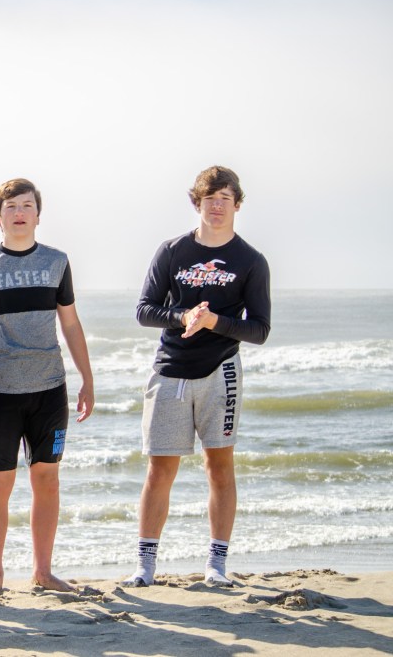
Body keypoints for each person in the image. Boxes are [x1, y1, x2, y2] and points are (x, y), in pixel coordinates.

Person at [123, 166, 271, 588]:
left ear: (237, 205)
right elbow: (144, 311)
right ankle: (145, 566)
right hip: (170, 371)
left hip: (221, 372)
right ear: (197, 203)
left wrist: (213, 322)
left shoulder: (251, 261)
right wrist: (184, 316)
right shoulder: (172, 251)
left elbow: (259, 329)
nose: (217, 206)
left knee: (219, 467)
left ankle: (216, 565)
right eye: (210, 199)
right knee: (159, 469)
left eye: (225, 198)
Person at [0, 178, 94, 595]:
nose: (19, 213)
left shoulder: (57, 262)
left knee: (47, 479)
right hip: (0, 392)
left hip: (50, 389)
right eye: (11, 206)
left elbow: (71, 324)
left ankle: (43, 572)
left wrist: (87, 378)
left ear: (38, 214)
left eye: (27, 205)